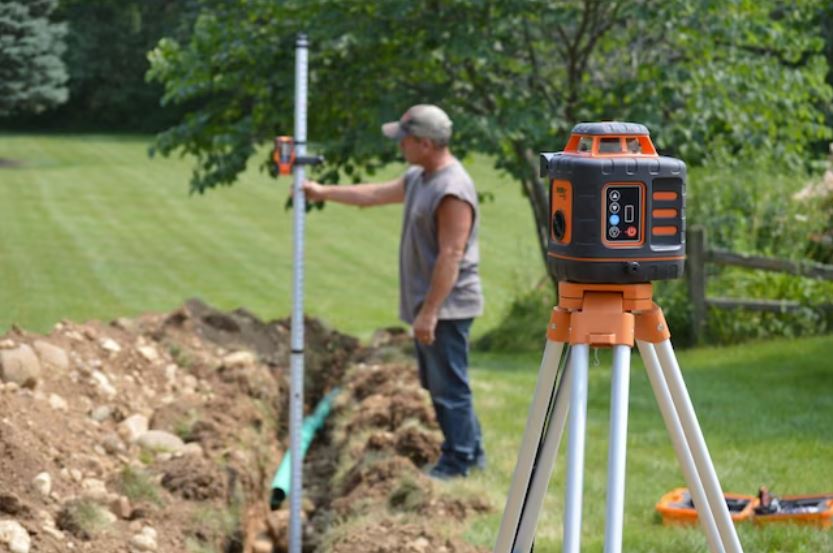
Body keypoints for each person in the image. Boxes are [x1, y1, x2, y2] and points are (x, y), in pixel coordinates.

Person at [302, 104, 485, 479]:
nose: (399, 146)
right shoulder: (420, 176)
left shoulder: (453, 190)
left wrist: (430, 312)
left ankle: (458, 461)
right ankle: (473, 453)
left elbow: (452, 254)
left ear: (425, 143)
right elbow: (372, 194)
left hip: (448, 306)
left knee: (448, 387)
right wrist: (322, 192)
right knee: (441, 382)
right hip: (430, 303)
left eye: (405, 140)